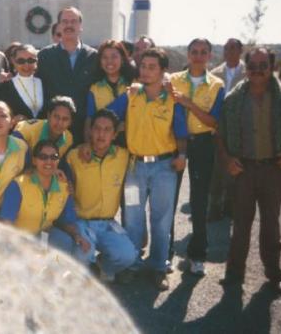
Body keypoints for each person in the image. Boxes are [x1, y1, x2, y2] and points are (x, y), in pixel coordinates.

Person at [218, 47, 281, 297]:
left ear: (271, 67)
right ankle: (234, 275)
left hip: (273, 171)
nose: (257, 70)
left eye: (262, 65)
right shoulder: (233, 100)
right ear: (246, 68)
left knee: (271, 225)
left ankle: (275, 276)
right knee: (241, 225)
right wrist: (228, 160)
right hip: (244, 170)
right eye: (252, 65)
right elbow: (220, 136)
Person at [103, 48, 188, 290]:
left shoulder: (173, 99)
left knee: (161, 220)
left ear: (163, 72)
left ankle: (159, 267)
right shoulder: (131, 95)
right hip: (134, 167)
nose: (146, 71)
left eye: (152, 67)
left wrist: (182, 155)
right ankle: (132, 264)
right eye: (143, 66)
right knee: (132, 217)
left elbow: (181, 132)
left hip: (164, 167)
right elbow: (108, 116)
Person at [169, 38, 225, 276]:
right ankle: (166, 252)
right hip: (176, 141)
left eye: (203, 52)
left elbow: (213, 121)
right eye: (194, 51)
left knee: (199, 200)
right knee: (169, 198)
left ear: (210, 56)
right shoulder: (173, 80)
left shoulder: (216, 85)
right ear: (188, 54)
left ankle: (197, 254)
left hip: (203, 142)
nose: (198, 56)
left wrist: (189, 104)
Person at [66, 109, 137, 283]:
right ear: (90, 131)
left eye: (107, 130)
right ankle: (80, 272)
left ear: (114, 134)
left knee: (128, 256)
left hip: (108, 223)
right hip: (81, 221)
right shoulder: (75, 156)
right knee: (82, 256)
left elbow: (132, 189)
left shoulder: (124, 156)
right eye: (97, 128)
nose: (101, 134)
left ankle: (102, 266)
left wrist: (137, 224)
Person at [0, 139, 91, 259]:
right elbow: (6, 225)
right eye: (43, 157)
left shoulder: (64, 187)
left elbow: (68, 220)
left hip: (44, 235)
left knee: (66, 242)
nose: (49, 161)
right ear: (34, 160)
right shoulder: (19, 185)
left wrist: (77, 236)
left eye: (54, 157)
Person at [36, 6, 97, 145]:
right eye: (65, 21)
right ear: (58, 25)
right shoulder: (45, 56)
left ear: (80, 26)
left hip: (83, 131)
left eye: (73, 21)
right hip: (51, 131)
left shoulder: (93, 57)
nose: (69, 25)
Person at [208, 38, 247, 221]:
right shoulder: (214, 74)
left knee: (237, 169)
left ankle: (230, 206)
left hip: (241, 129)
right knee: (217, 170)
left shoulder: (249, 73)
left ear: (240, 51)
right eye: (226, 48)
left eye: (233, 48)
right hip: (219, 127)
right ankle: (214, 207)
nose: (229, 51)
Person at [84, 40, 132, 145]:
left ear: (122, 59)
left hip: (130, 145)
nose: (109, 61)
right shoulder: (94, 89)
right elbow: (89, 121)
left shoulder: (133, 85)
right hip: (103, 146)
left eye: (114, 57)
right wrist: (87, 145)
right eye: (104, 58)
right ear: (100, 62)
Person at [0, 44, 44, 127]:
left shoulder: (44, 84)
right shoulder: (5, 88)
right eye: (21, 61)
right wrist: (12, 119)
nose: (26, 65)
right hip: (17, 137)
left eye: (31, 60)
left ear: (36, 61)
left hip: (43, 136)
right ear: (13, 62)